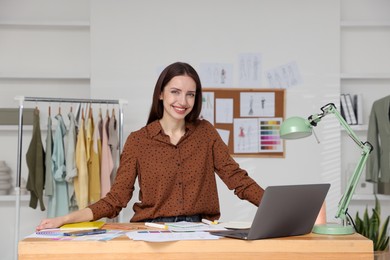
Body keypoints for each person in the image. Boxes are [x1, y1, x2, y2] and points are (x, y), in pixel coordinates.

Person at [36, 61, 264, 231]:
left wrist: (281, 212)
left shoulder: (206, 133)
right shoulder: (138, 141)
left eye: (190, 95)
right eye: (175, 92)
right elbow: (117, 199)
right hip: (153, 232)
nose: (183, 102)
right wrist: (66, 219)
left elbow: (238, 180)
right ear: (161, 94)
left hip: (200, 230)